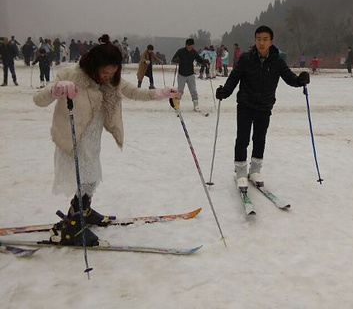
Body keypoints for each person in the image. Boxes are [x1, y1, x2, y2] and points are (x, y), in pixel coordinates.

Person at [33, 35, 179, 246]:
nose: (107, 77)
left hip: (92, 139)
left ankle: (84, 211)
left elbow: (134, 91)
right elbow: (39, 99)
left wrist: (160, 93)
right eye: (104, 72)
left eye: (112, 72)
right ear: (94, 65)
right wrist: (56, 89)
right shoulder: (71, 75)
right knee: (84, 178)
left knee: (91, 178)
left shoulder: (112, 80)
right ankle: (73, 227)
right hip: (74, 138)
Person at [215, 25, 310, 192]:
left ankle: (255, 171)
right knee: (242, 139)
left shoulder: (278, 61)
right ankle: (241, 172)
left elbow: (289, 78)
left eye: (265, 39)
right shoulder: (245, 58)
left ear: (271, 41)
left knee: (259, 139)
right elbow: (234, 78)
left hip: (264, 106)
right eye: (258, 39)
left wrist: (300, 81)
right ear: (255, 40)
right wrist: (225, 91)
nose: (261, 43)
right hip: (245, 105)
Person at [171, 38, 205, 112]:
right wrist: (176, 60)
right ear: (186, 45)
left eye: (192, 47)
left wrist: (204, 61)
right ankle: (177, 104)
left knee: (193, 90)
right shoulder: (180, 51)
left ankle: (196, 105)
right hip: (181, 74)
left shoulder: (193, 52)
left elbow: (199, 60)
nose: (190, 48)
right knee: (180, 91)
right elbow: (173, 59)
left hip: (190, 74)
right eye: (189, 47)